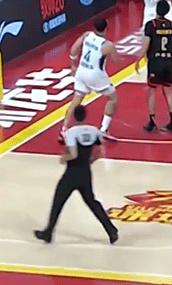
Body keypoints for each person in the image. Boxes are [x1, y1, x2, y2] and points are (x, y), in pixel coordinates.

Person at [34, 105, 119, 245]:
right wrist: (89, 162)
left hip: (71, 173)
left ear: (74, 116)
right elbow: (100, 152)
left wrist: (63, 158)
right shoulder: (94, 131)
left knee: (58, 201)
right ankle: (111, 230)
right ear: (85, 116)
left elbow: (73, 154)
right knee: (92, 202)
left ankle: (48, 232)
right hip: (85, 172)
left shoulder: (71, 133)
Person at [62, 19, 119, 138]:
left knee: (76, 100)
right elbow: (116, 61)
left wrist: (73, 64)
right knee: (112, 98)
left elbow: (73, 49)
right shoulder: (108, 45)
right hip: (95, 75)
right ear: (106, 29)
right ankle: (103, 129)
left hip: (81, 71)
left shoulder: (86, 35)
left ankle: (64, 129)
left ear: (94, 27)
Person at [137, 1, 172, 132]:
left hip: (155, 62)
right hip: (168, 62)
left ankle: (152, 122)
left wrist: (139, 59)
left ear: (156, 9)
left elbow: (146, 44)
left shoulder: (151, 25)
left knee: (152, 91)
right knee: (168, 91)